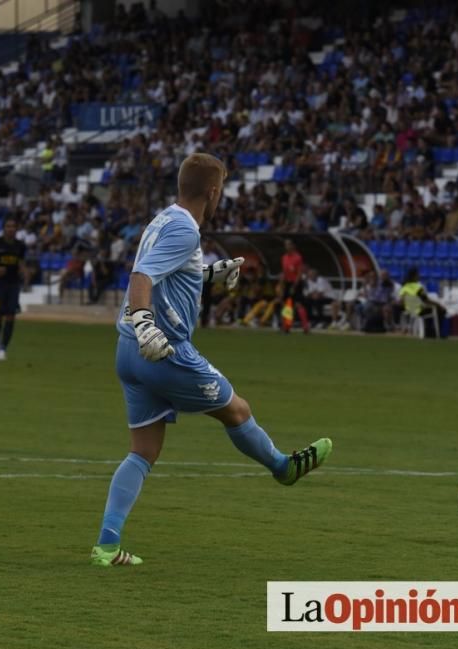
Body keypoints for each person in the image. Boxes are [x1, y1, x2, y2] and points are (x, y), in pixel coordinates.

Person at [91, 153, 332, 567]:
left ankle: (107, 546)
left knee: (142, 452)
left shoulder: (164, 219)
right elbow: (141, 278)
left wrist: (207, 274)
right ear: (215, 192)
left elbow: (164, 270)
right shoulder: (186, 229)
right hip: (162, 349)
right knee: (237, 410)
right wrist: (147, 323)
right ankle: (281, 467)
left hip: (127, 351)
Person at [0, 219, 29, 361]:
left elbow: (20, 262)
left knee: (10, 316)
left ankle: (3, 349)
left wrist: (25, 273)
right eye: (8, 226)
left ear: (17, 228)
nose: (11, 229)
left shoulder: (20, 246)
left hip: (13, 284)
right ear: (4, 228)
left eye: (13, 226)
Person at [278, 239, 310, 333]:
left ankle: (305, 326)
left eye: (289, 244)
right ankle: (287, 326)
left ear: (293, 246)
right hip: (287, 283)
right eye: (286, 245)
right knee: (287, 304)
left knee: (298, 304)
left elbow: (299, 273)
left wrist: (294, 286)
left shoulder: (298, 257)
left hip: (296, 283)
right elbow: (284, 272)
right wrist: (282, 284)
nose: (287, 247)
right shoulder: (284, 257)